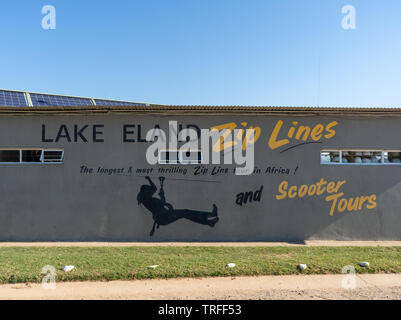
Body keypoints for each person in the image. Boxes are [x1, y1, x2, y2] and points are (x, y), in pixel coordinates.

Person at [137, 176, 219, 236]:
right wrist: (162, 197)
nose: (151, 191)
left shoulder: (148, 200)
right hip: (163, 218)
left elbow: (161, 201)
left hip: (163, 217)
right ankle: (209, 218)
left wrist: (150, 181)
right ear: (145, 192)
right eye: (148, 190)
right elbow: (163, 202)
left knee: (185, 213)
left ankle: (209, 221)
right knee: (185, 213)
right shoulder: (148, 200)